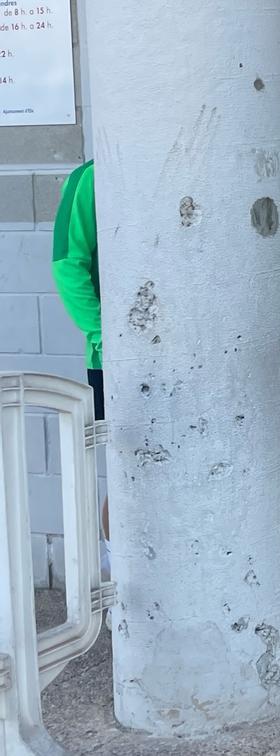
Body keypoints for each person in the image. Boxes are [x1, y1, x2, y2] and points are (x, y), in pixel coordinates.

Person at [51, 160, 110, 575]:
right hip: (118, 364)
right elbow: (67, 264)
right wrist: (105, 338)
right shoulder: (92, 176)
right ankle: (120, 588)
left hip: (199, 360)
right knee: (134, 480)